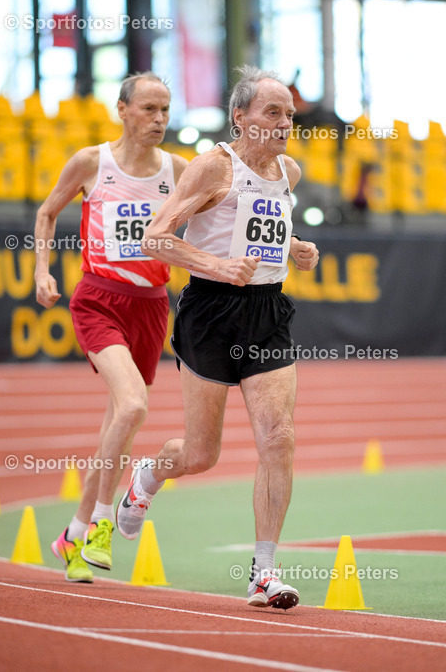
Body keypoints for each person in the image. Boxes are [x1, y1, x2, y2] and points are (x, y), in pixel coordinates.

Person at [122, 65, 320, 609]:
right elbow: (155, 237)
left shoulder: (290, 172)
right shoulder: (214, 168)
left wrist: (295, 248)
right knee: (201, 454)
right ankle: (149, 474)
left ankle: (263, 574)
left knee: (278, 436)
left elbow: (266, 225)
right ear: (241, 117)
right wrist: (214, 263)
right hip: (211, 311)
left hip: (267, 313)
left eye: (289, 115)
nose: (283, 124)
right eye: (272, 113)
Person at [33, 72, 189, 583]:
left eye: (165, 109)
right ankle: (101, 525)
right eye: (148, 109)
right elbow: (47, 211)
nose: (159, 120)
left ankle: (71, 536)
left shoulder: (178, 171)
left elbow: (227, 212)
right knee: (135, 408)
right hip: (100, 300)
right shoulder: (90, 163)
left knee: (116, 429)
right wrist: (41, 271)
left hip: (151, 306)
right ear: (122, 110)